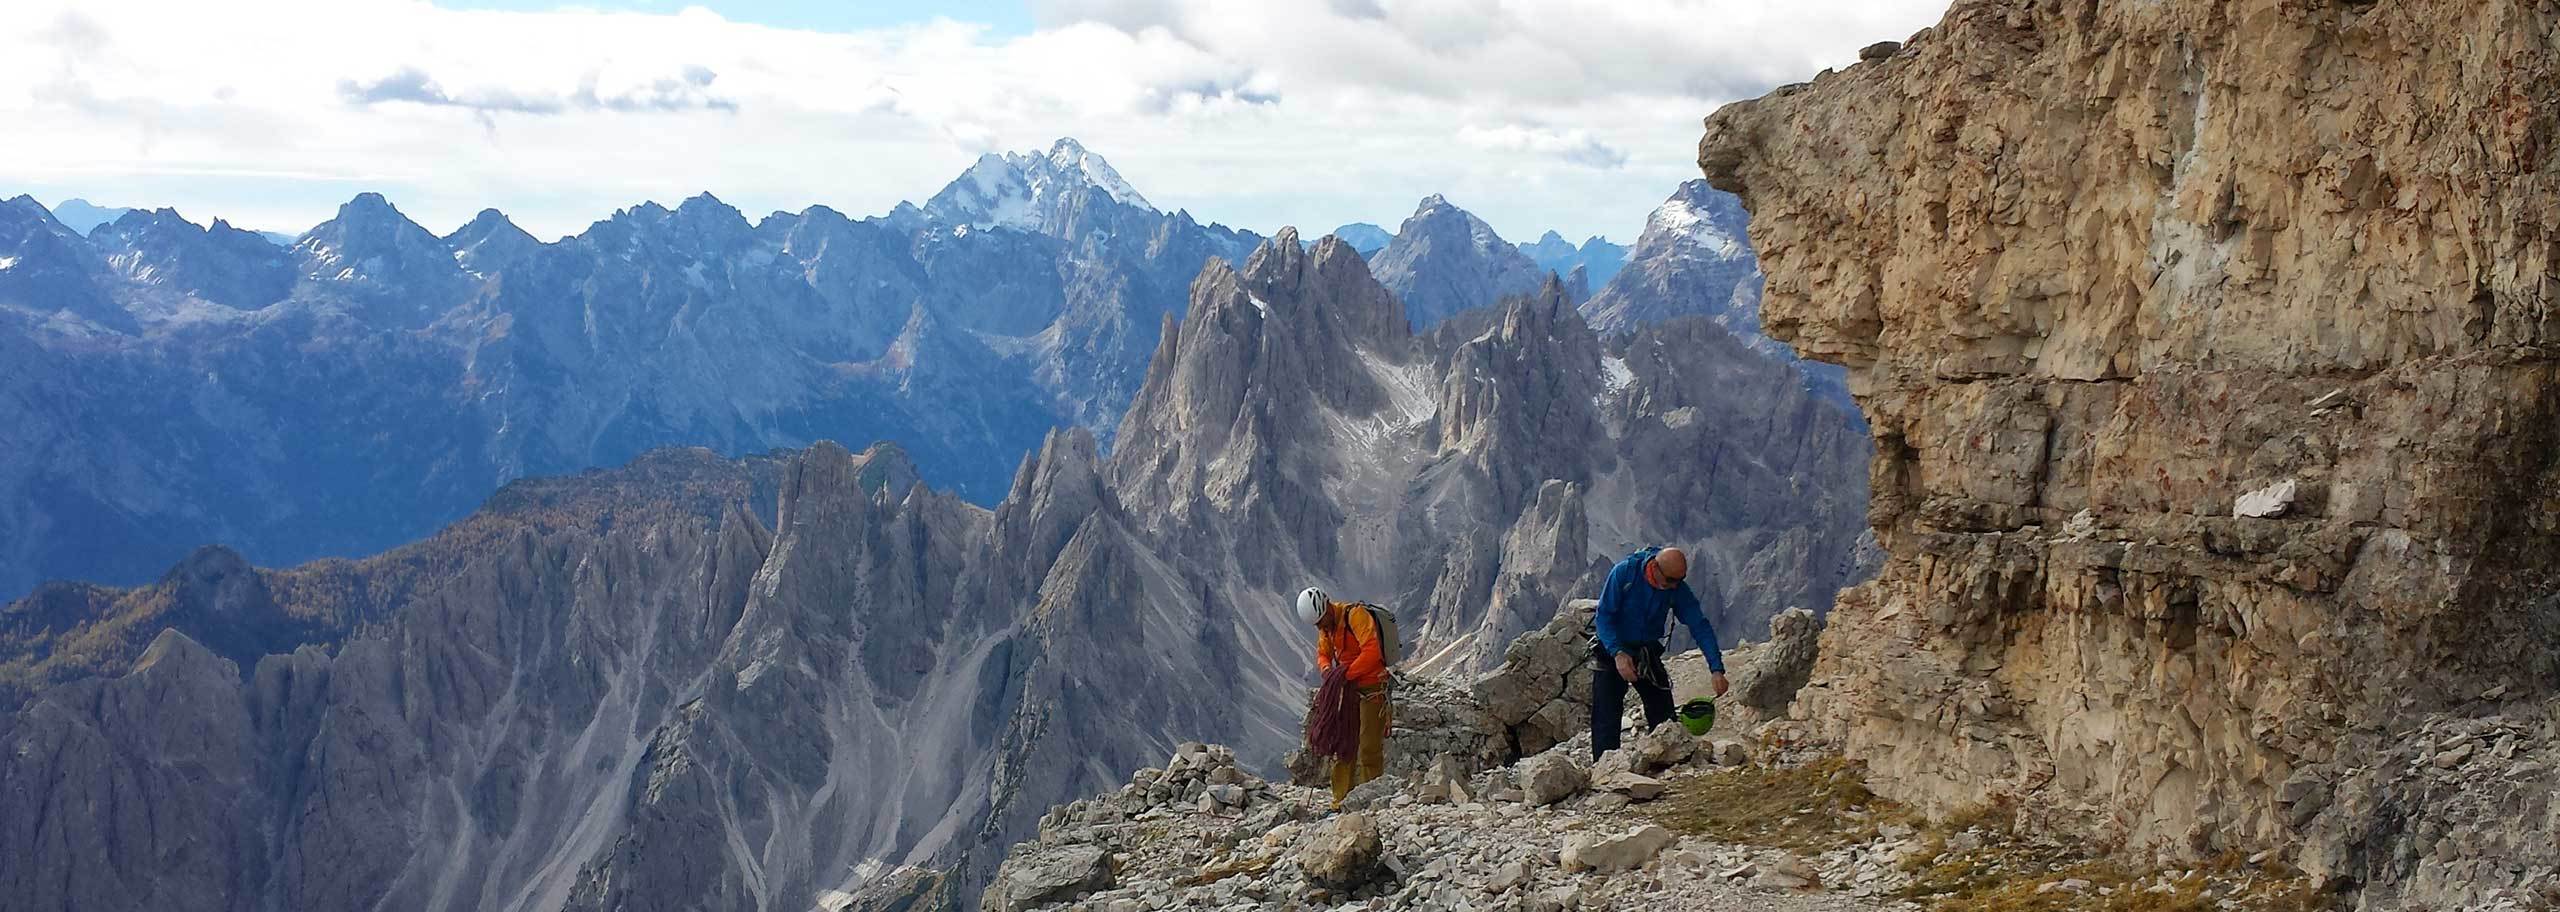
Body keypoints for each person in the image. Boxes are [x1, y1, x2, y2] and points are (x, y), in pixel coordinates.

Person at [1590, 546, 1725, 761]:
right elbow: (1604, 616)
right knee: (1606, 715)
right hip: (1612, 649)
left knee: (1664, 715)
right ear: (1655, 568)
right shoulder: (1624, 574)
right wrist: (1617, 653)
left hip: (1646, 651)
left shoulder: (1675, 587)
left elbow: (1699, 625)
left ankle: (1668, 761)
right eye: (1671, 581)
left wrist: (1716, 668)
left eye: (1678, 582)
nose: (1674, 586)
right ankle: (1604, 770)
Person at [1299, 587, 1389, 806]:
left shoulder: (1355, 615)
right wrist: (1327, 670)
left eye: (1322, 621)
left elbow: (1372, 651)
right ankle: (1341, 799)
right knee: (1344, 744)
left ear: (1328, 608)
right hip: (1349, 688)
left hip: (1371, 686)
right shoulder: (1326, 628)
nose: (1321, 627)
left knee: (1368, 746)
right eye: (1318, 625)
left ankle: (1371, 798)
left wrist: (1345, 674)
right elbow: (1322, 653)